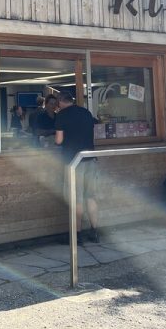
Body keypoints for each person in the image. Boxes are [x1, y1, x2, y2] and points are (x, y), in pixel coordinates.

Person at [54, 91, 100, 244]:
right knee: (91, 196)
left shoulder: (61, 115)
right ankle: (94, 232)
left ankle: (76, 235)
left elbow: (59, 140)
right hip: (90, 159)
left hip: (74, 161)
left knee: (76, 199)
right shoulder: (86, 112)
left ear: (61, 101)